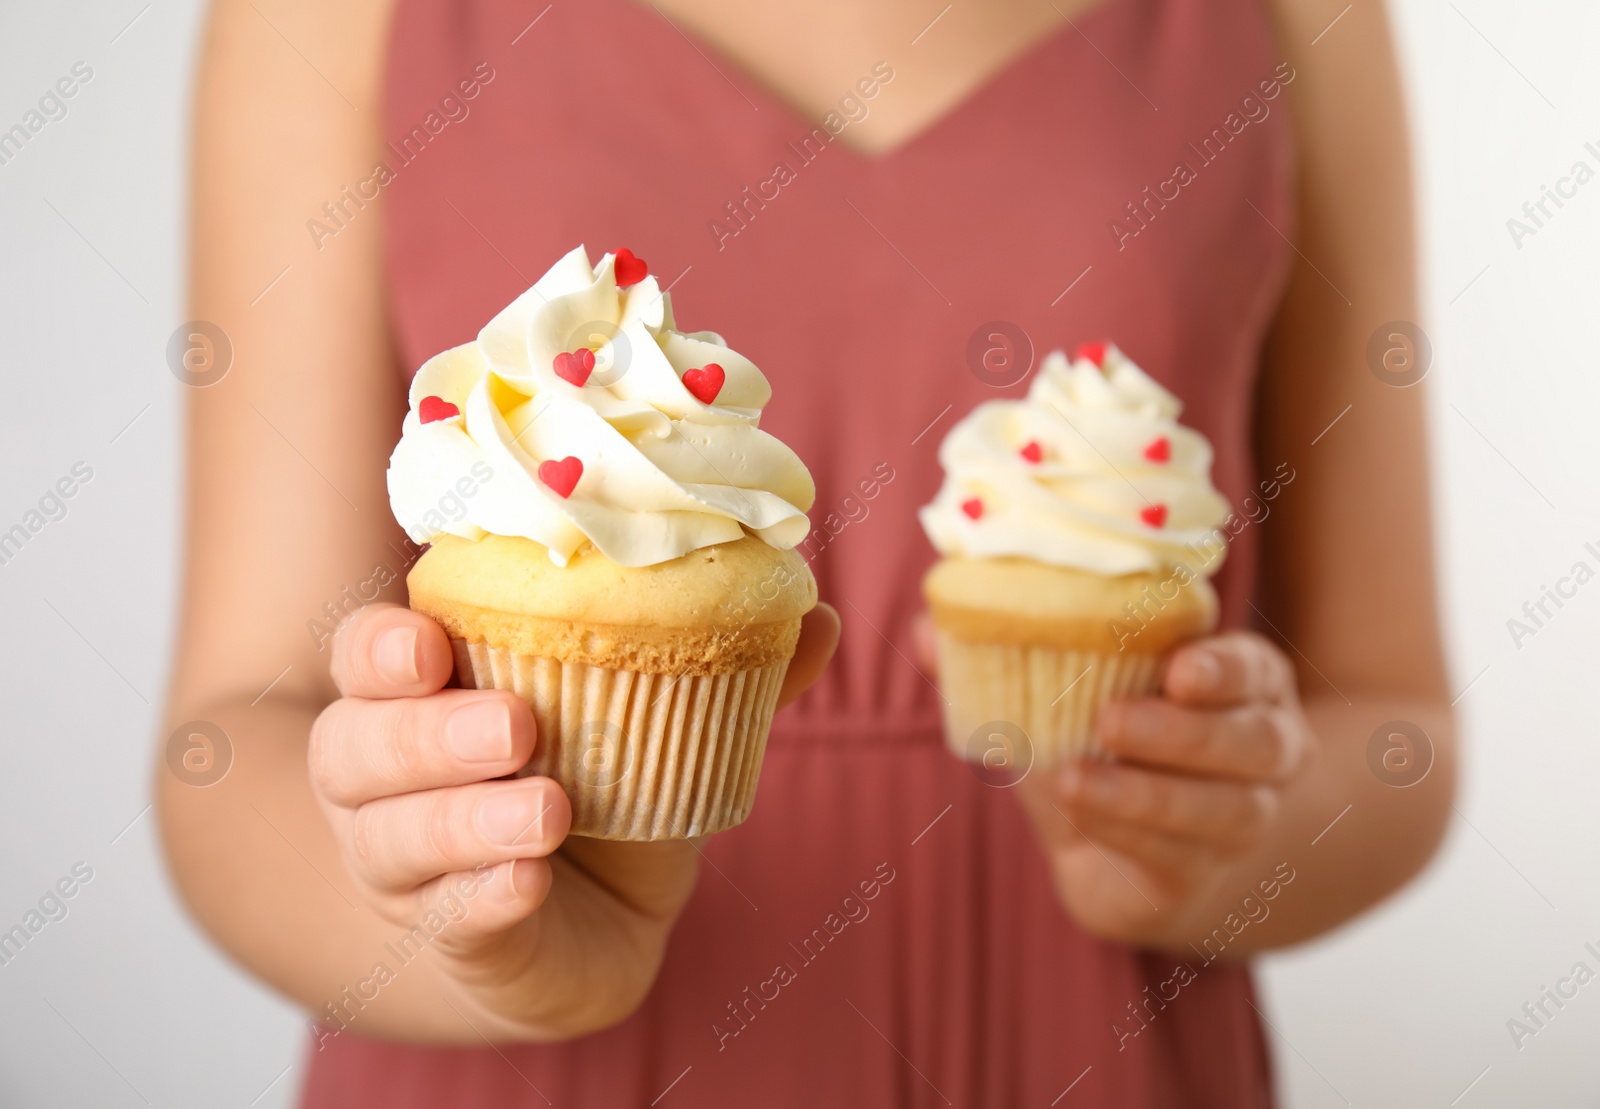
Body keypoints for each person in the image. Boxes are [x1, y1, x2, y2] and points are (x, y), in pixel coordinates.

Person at [160, 0, 1454, 1103]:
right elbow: (227, 742)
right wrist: (463, 935)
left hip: (1089, 1041)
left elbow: (1398, 724)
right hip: (514, 1060)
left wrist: (1241, 835)